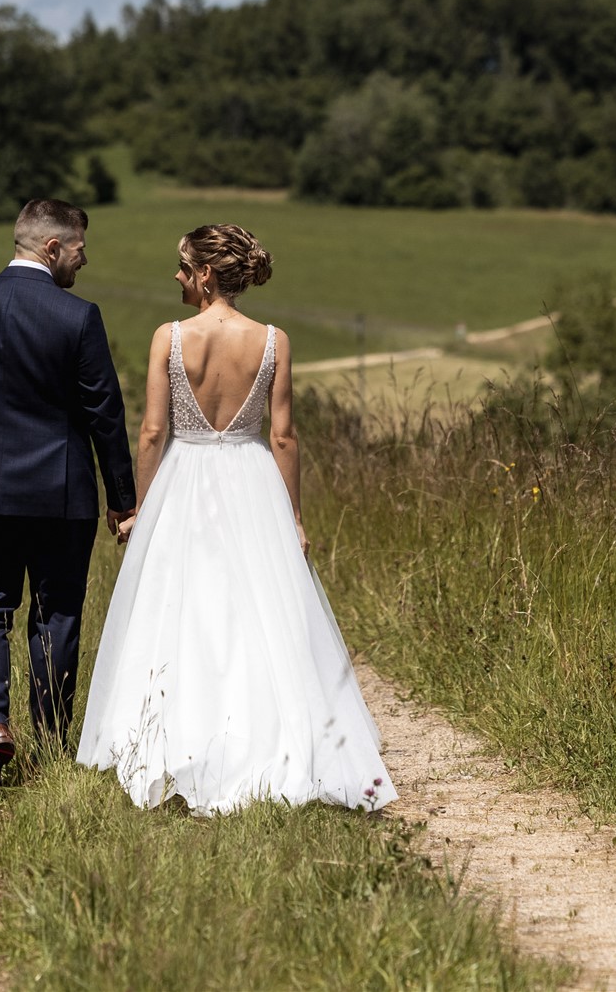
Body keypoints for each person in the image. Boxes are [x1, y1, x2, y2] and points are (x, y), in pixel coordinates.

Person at [76, 223, 395, 814]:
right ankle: (263, 741)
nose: (175, 276)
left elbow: (151, 431)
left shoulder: (169, 337)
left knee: (184, 610)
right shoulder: (273, 341)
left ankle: (175, 742)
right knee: (259, 613)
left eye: (182, 266)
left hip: (185, 481)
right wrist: (293, 514)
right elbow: (283, 436)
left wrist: (141, 509)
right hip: (253, 484)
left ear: (205, 274)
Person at [0, 198, 137, 807]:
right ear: (51, 248)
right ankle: (45, 743)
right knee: (56, 614)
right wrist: (123, 499)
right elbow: (105, 414)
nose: (83, 261)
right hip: (61, 494)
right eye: (79, 250)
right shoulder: (78, 317)